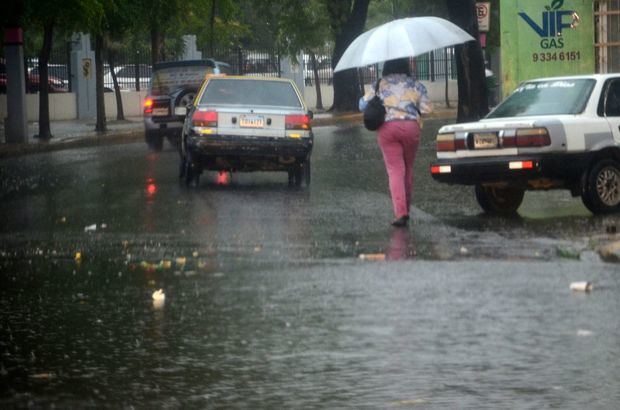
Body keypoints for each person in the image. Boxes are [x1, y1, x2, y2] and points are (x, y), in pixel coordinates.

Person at [359, 57, 432, 227]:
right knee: (408, 168)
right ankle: (406, 207)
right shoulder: (415, 84)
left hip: (388, 129)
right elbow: (427, 109)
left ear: (386, 66)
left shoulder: (379, 84)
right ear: (406, 66)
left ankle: (401, 213)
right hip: (411, 128)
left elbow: (362, 105)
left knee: (395, 171)